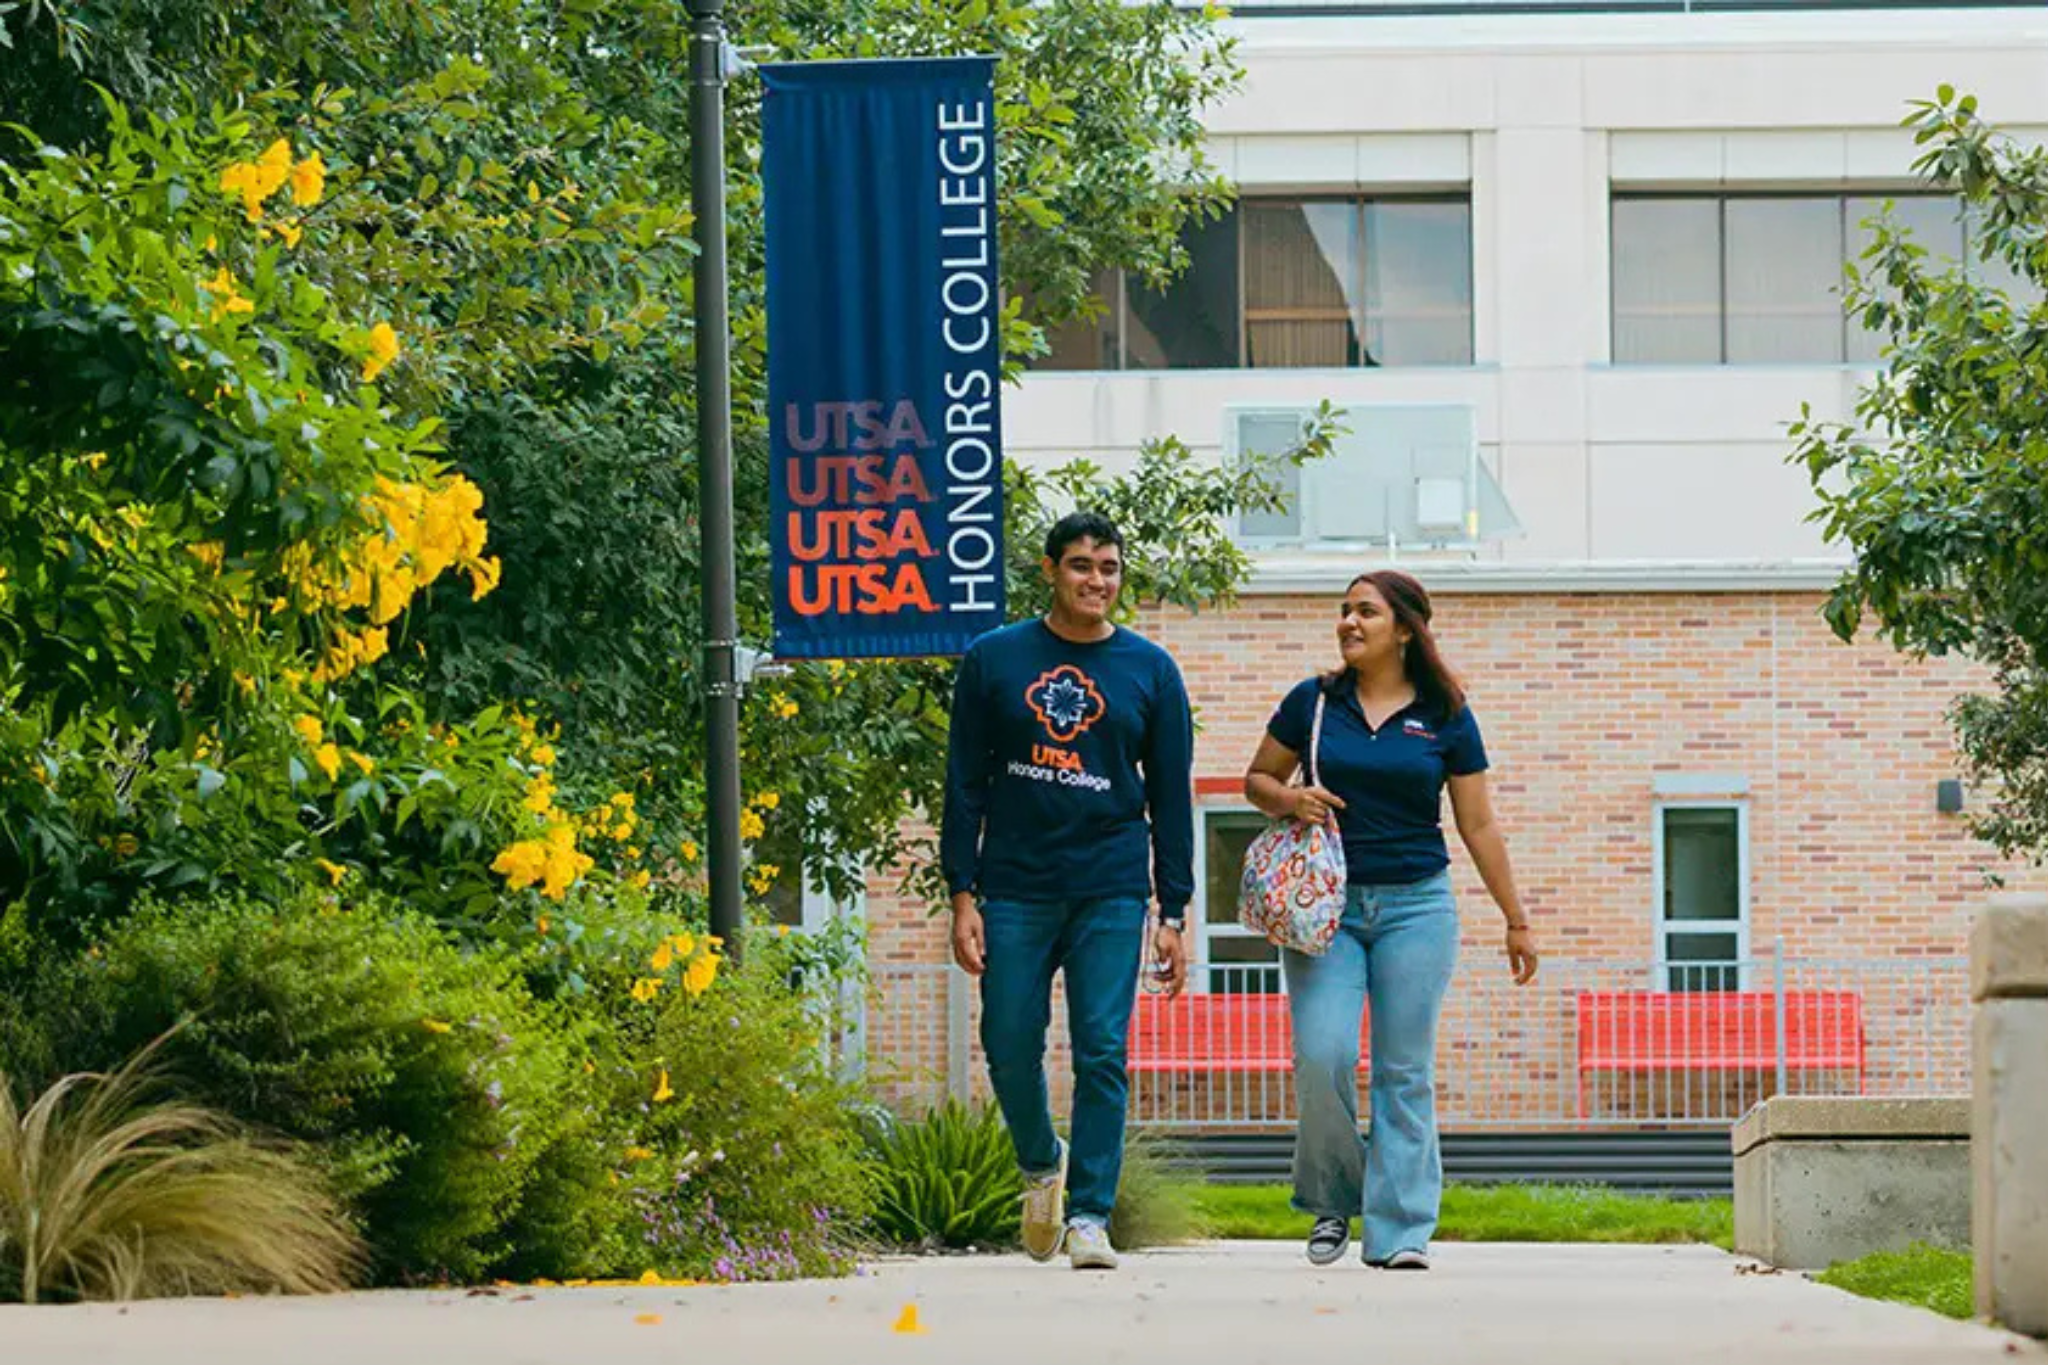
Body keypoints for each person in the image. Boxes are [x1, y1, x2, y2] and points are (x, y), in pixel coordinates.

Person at [1242, 569, 1539, 1271]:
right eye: (1344, 610)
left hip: (1417, 907)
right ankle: (1330, 1200)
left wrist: (1516, 918)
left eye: (1365, 612)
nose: (1348, 622)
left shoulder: (1446, 714)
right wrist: (1290, 800)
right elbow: (1256, 779)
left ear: (1404, 628)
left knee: (1404, 1071)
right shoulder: (1312, 702)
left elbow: (1478, 822)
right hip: (1327, 907)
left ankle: (1400, 1230)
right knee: (1325, 1055)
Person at [941, 510, 1195, 1272]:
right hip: (1015, 884)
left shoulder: (1151, 671)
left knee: (1103, 1050)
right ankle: (1039, 1158)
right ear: (1050, 569)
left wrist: (1174, 909)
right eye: (1083, 565)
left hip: (1111, 885)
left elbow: (1172, 798)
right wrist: (963, 892)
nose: (1098, 580)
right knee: (1008, 1041)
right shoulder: (994, 659)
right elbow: (965, 782)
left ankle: (1089, 1214)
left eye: (1110, 567)